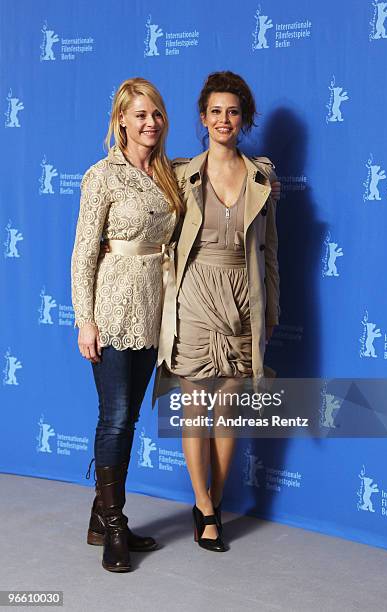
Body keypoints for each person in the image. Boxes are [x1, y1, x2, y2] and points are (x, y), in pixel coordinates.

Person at [158, 71, 280, 552]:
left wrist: (270, 312)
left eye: (232, 111)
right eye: (215, 111)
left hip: (244, 297)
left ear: (243, 118)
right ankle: (204, 508)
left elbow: (272, 252)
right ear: (203, 118)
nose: (223, 119)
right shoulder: (181, 173)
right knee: (195, 409)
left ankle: (214, 499)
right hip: (193, 296)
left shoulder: (261, 177)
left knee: (227, 411)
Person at [71, 77, 182, 572]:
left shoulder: (168, 176)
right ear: (121, 120)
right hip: (114, 307)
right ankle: (115, 527)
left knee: (131, 417)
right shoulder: (102, 176)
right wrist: (84, 320)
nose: (150, 123)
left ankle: (102, 517)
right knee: (114, 417)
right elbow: (82, 252)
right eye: (140, 115)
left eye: (156, 114)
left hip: (155, 308)